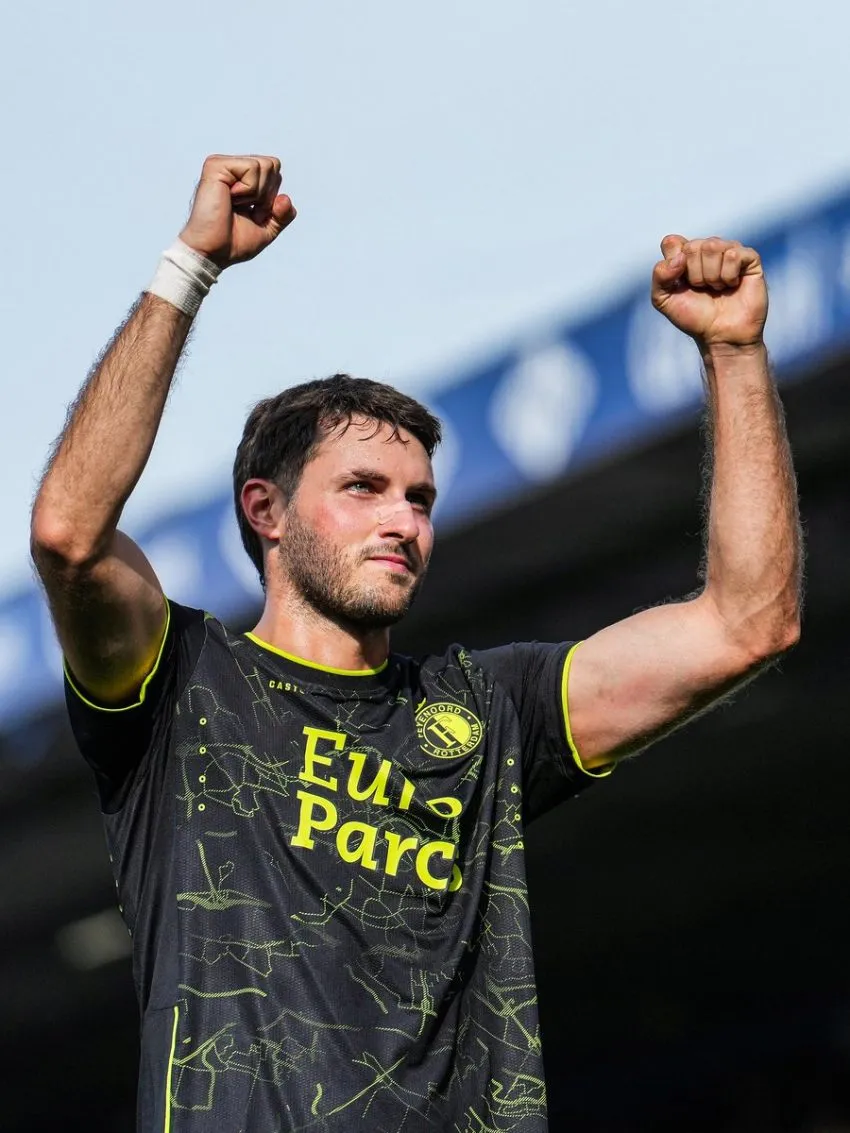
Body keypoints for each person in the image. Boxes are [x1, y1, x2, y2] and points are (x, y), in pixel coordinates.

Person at [31, 154, 802, 1133]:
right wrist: (191, 266)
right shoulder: (181, 683)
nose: (403, 519)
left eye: (420, 499)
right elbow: (69, 532)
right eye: (363, 488)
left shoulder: (487, 712)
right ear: (264, 509)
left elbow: (747, 622)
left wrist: (735, 356)